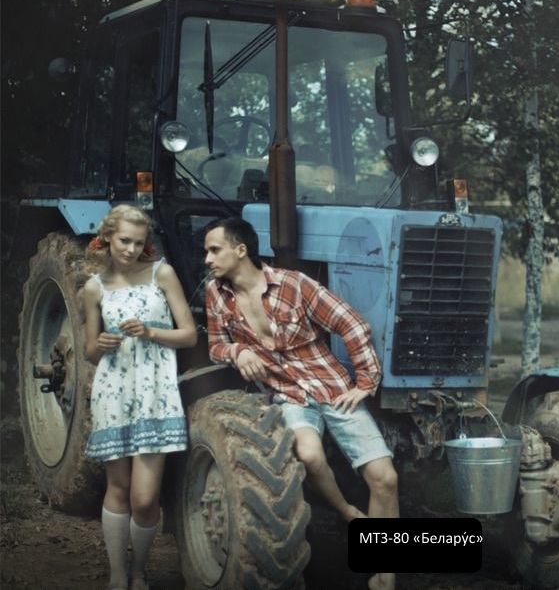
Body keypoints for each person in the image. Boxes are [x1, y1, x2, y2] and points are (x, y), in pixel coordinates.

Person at [203, 217, 398, 590]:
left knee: (385, 479)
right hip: (287, 394)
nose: (207, 259)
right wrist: (238, 351)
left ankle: (384, 578)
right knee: (308, 454)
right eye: (206, 252)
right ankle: (347, 512)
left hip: (331, 388)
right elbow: (215, 345)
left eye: (214, 250)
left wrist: (365, 383)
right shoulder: (216, 293)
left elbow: (352, 324)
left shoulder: (294, 284)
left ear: (240, 250)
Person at [83, 204, 197, 590]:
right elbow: (90, 352)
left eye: (138, 242)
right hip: (113, 393)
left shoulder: (161, 273)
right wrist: (100, 343)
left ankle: (139, 571)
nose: (131, 249)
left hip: (156, 394)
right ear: (107, 237)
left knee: (145, 499)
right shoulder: (94, 287)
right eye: (124, 241)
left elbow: (189, 335)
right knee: (117, 489)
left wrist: (150, 332)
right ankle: (119, 575)